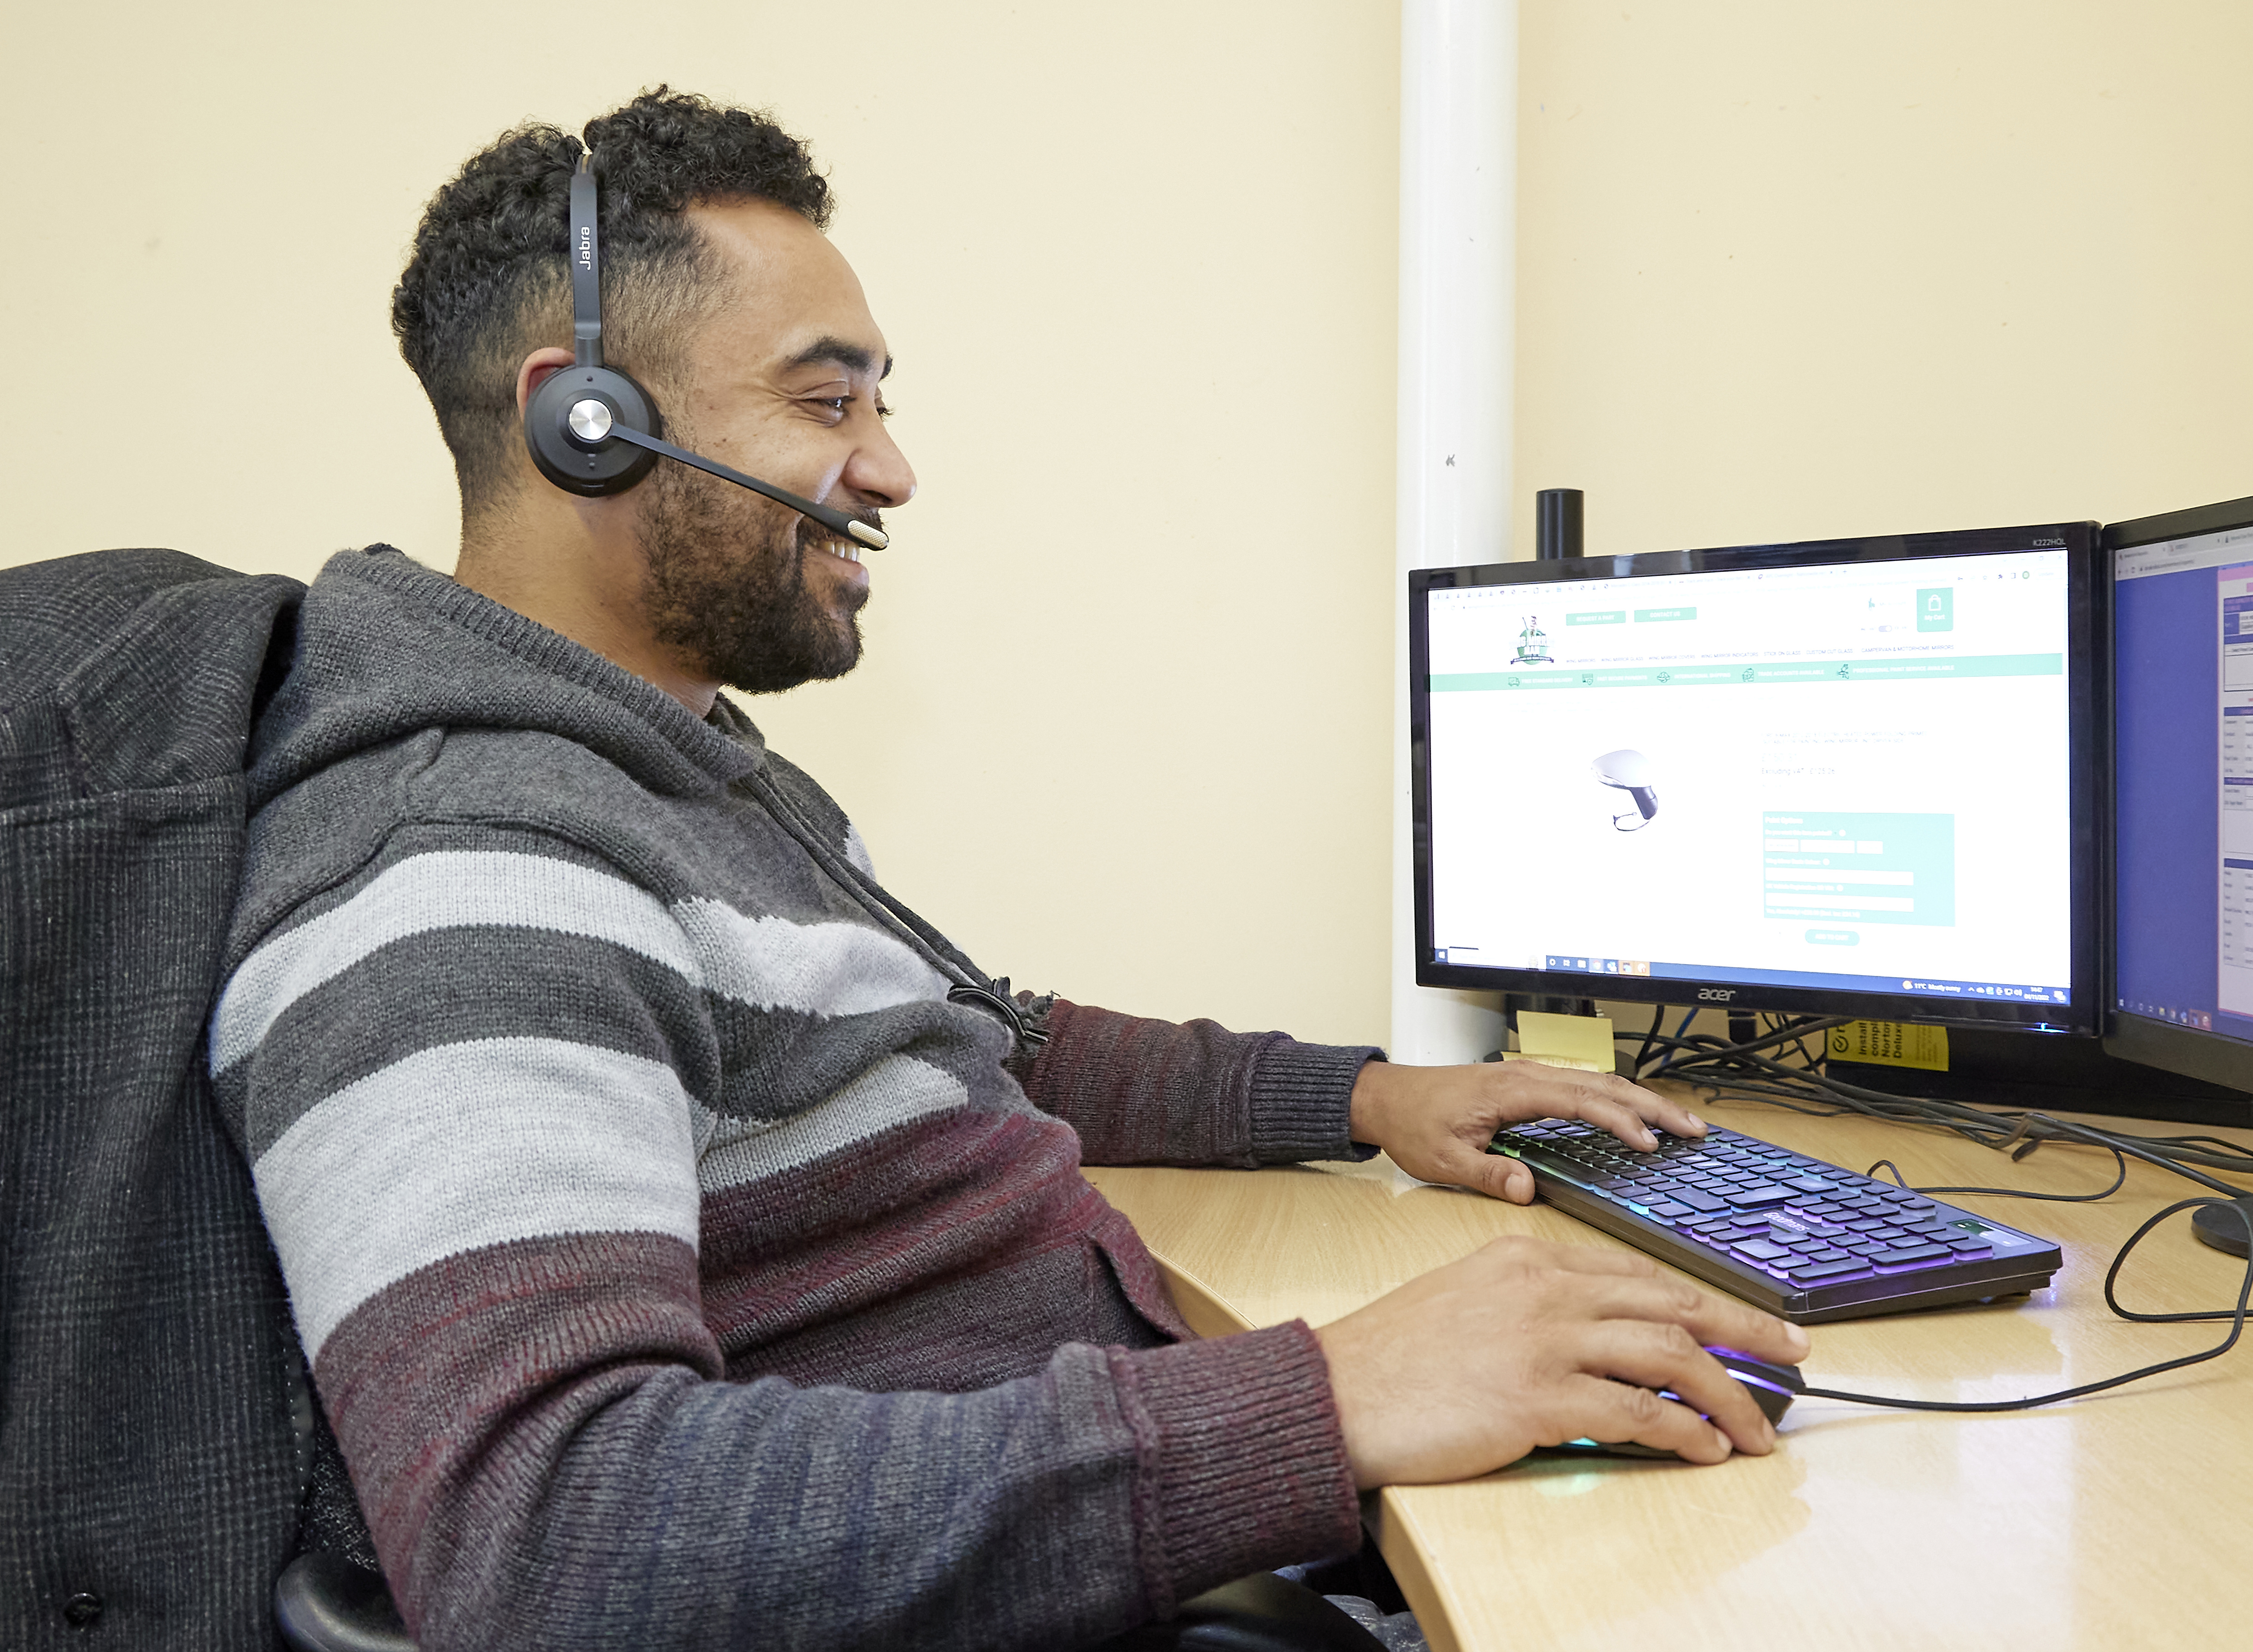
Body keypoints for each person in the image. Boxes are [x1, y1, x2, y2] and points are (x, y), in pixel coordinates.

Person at [211, 89, 1808, 1652]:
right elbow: (548, 1540)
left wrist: (1361, 1098)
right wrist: (1322, 1400)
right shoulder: (460, 876)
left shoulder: (678, 775)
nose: (892, 471)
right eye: (826, 403)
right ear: (589, 422)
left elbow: (979, 1032)